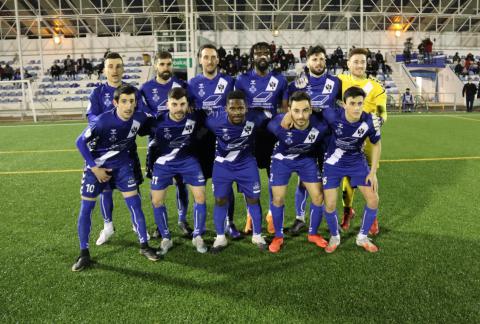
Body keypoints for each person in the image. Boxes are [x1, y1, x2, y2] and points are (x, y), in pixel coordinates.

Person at [71, 84, 159, 272]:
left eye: (132, 102)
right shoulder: (102, 121)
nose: (128, 106)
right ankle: (84, 253)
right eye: (124, 102)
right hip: (97, 168)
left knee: (135, 204)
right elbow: (80, 142)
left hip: (122, 166)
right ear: (115, 103)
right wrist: (95, 169)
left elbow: (156, 121)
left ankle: (144, 246)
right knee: (86, 208)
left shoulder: (139, 117)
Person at [85, 52, 147, 246]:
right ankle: (108, 225)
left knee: (134, 188)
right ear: (104, 69)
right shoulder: (97, 93)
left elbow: (142, 116)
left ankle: (136, 224)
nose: (114, 70)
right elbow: (92, 118)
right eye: (110, 66)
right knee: (105, 190)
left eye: (118, 66)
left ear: (123, 68)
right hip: (103, 153)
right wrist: (111, 122)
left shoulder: (133, 92)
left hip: (127, 150)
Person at [205, 90, 269, 253]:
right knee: (220, 200)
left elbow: (272, 115)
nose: (237, 112)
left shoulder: (255, 119)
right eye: (232, 108)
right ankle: (220, 237)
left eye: (240, 108)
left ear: (246, 108)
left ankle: (257, 234)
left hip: (246, 163)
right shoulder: (214, 122)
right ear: (226, 108)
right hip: (223, 165)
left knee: (253, 199)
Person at [287, 45, 341, 235]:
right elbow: (288, 107)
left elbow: (342, 105)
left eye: (322, 59)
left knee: (329, 180)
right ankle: (300, 218)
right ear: (307, 61)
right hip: (306, 139)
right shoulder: (298, 84)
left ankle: (328, 216)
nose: (319, 62)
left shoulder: (336, 82)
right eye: (314, 59)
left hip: (328, 140)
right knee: (303, 180)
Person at [235, 41, 288, 234]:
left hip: (271, 136)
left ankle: (271, 215)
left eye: (266, 52)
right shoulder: (241, 80)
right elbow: (237, 108)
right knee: (248, 179)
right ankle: (250, 215)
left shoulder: (280, 80)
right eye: (258, 53)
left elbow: (285, 110)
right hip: (249, 136)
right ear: (252, 57)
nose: (262, 56)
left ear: (271, 56)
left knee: (273, 179)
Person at [188, 44, 240, 238]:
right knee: (198, 184)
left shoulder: (228, 81)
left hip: (223, 140)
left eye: (213, 57)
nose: (209, 61)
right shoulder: (192, 84)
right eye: (206, 57)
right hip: (200, 140)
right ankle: (199, 226)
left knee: (225, 183)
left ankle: (230, 223)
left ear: (218, 60)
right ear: (200, 60)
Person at [148, 87, 208, 254]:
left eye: (182, 104)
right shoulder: (157, 122)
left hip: (188, 161)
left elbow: (207, 123)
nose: (178, 108)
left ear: (187, 104)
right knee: (156, 200)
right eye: (174, 104)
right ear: (167, 104)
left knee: (201, 196)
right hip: (164, 163)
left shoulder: (195, 117)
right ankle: (166, 238)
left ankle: (197, 236)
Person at [267, 91, 330, 253]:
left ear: (311, 109)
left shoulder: (320, 126)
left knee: (318, 196)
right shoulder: (277, 124)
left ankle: (313, 234)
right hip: (282, 159)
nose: (301, 116)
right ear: (289, 110)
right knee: (278, 198)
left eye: (305, 110)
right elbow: (267, 128)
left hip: (306, 158)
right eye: (296, 110)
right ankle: (278, 236)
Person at [321, 86, 381, 253]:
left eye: (360, 103)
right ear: (344, 104)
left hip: (356, 161)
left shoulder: (369, 120)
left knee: (373, 199)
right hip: (333, 162)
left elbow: (376, 144)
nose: (356, 107)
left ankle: (362, 237)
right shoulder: (332, 114)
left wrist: (373, 171)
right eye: (352, 103)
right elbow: (314, 109)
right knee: (330, 204)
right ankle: (334, 236)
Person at [139, 51, 192, 237]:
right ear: (155, 66)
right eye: (162, 64)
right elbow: (143, 112)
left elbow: (188, 108)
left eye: (168, 64)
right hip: (157, 144)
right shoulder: (145, 88)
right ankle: (161, 225)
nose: (166, 68)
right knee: (157, 186)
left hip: (179, 143)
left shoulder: (181, 85)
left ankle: (182, 220)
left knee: (181, 183)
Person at [337, 48, 387, 235]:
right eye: (356, 61)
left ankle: (372, 217)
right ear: (348, 63)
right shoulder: (340, 81)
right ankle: (348, 211)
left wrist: (377, 121)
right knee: (347, 179)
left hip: (367, 140)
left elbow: (382, 111)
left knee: (370, 176)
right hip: (345, 139)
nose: (359, 65)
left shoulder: (376, 86)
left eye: (363, 62)